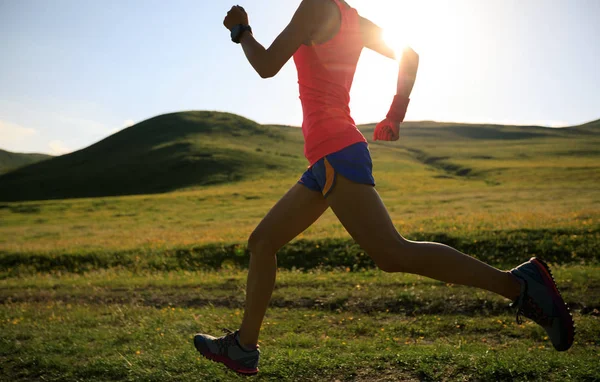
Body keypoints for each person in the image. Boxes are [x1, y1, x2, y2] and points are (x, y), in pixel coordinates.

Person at [194, 0, 574, 375]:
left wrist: (242, 31)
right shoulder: (352, 18)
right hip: (328, 157)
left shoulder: (313, 7)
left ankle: (518, 286)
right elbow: (408, 53)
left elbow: (265, 66)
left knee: (392, 253)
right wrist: (395, 113)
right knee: (263, 242)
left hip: (335, 152)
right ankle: (244, 346)